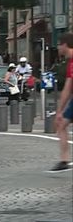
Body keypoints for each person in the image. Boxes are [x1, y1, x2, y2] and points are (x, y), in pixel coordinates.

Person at [48, 33, 73, 172]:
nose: (58, 48)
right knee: (62, 124)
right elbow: (68, 88)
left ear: (64, 45)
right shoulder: (70, 62)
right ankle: (64, 160)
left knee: (62, 124)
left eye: (59, 45)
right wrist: (60, 111)